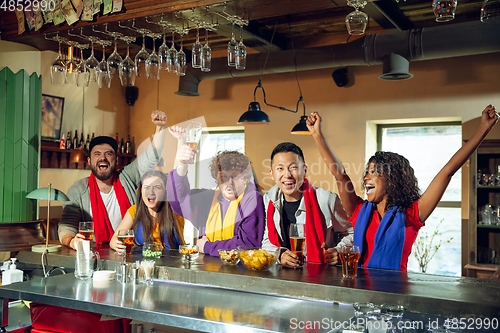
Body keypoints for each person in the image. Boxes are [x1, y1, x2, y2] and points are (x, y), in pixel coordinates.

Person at [306, 105, 499, 271]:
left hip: (395, 295)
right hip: (360, 293)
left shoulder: (412, 214)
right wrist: (317, 135)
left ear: (392, 180)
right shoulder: (359, 211)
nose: (366, 177)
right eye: (367, 172)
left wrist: (483, 128)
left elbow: (447, 172)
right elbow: (340, 175)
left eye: (374, 172)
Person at [58, 110, 167, 249]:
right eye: (97, 154)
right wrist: (72, 241)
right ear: (89, 161)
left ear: (116, 160)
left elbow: (151, 157)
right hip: (95, 255)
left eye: (108, 154)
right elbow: (67, 226)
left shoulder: (126, 177)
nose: (102, 158)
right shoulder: (78, 189)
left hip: (130, 252)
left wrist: (160, 128)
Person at [167, 126, 265, 257]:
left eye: (235, 176)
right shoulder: (207, 199)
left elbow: (247, 244)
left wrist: (207, 246)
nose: (229, 182)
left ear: (245, 178)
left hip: (240, 272)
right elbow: (178, 199)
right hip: (207, 270)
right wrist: (182, 164)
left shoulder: (252, 199)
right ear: (216, 179)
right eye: (224, 176)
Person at [261, 142, 353, 268]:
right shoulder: (269, 200)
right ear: (272, 174)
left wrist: (340, 251)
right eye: (280, 168)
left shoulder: (326, 200)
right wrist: (279, 254)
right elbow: (267, 240)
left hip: (321, 276)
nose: (287, 175)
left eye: (293, 167)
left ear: (304, 170)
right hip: (282, 278)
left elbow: (351, 233)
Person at [110, 170, 185, 254]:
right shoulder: (134, 211)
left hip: (173, 263)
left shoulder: (175, 210)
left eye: (157, 187)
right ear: (141, 191)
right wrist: (116, 244)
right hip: (144, 264)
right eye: (146, 187)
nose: (151, 192)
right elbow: (115, 238)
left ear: (165, 192)